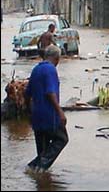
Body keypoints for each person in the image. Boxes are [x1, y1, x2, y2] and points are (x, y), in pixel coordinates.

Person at [25, 45, 68, 173]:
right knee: (62, 139)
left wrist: (29, 112)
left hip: (37, 116)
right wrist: (60, 112)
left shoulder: (36, 69)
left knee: (43, 149)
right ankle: (37, 165)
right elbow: (50, 93)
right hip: (50, 115)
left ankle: (39, 178)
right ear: (57, 58)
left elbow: (27, 94)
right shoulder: (50, 70)